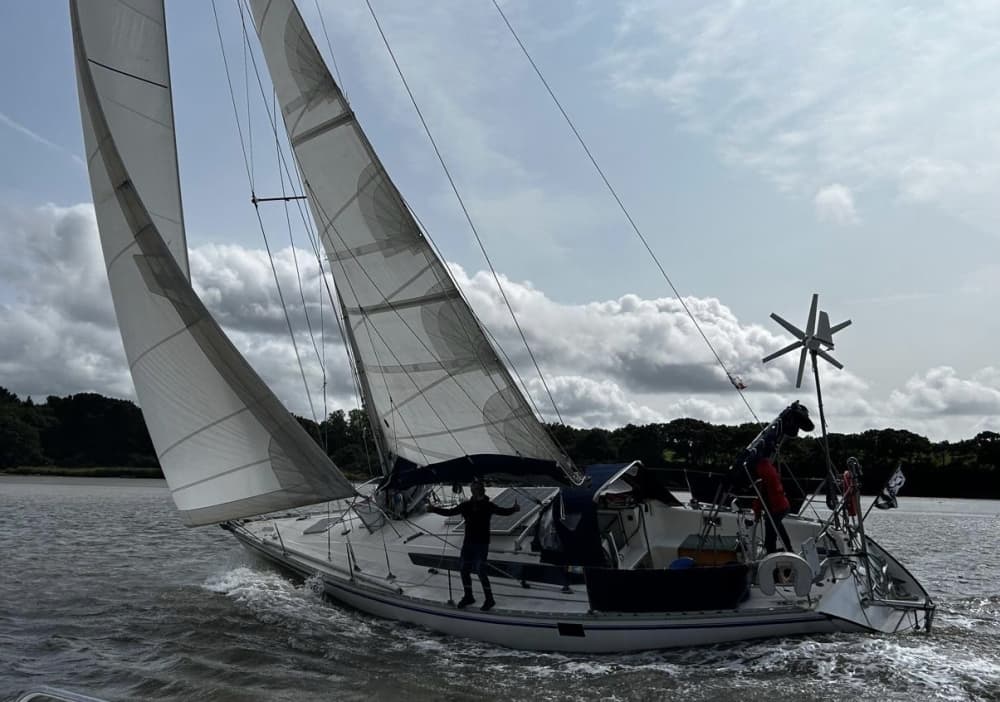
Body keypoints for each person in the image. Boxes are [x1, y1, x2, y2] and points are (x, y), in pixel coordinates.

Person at [427, 480, 520, 611]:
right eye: (473, 488)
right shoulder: (466, 505)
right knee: (464, 570)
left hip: (481, 543)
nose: (475, 490)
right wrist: (434, 509)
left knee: (481, 571)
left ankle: (490, 599)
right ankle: (468, 596)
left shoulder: (488, 505)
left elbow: (503, 512)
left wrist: (514, 509)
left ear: (481, 490)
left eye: (477, 488)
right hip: (469, 542)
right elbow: (450, 512)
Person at [751, 456, 793, 553]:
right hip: (782, 506)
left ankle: (771, 552)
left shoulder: (763, 481)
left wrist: (757, 515)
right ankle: (788, 548)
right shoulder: (768, 468)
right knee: (777, 527)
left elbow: (759, 502)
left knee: (771, 532)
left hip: (776, 509)